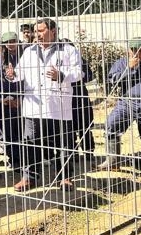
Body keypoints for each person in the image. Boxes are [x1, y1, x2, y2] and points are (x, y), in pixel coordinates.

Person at [6, 18, 83, 192]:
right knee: (31, 143)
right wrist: (11, 75)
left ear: (53, 31)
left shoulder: (68, 50)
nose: (37, 35)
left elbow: (79, 73)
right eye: (36, 31)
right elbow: (19, 73)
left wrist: (61, 75)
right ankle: (29, 177)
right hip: (33, 106)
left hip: (59, 106)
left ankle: (65, 177)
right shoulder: (29, 51)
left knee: (63, 143)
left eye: (41, 31)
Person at [98, 38, 141, 179]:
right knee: (111, 125)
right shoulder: (121, 63)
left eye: (140, 50)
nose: (135, 53)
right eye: (133, 50)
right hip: (127, 102)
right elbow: (113, 82)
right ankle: (112, 160)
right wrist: (128, 69)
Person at [0, 32, 23, 170]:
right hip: (5, 102)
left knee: (23, 131)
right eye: (7, 41)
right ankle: (14, 160)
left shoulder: (26, 56)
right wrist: (6, 98)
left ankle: (26, 160)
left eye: (13, 40)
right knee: (8, 133)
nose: (11, 44)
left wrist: (19, 98)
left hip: (24, 99)